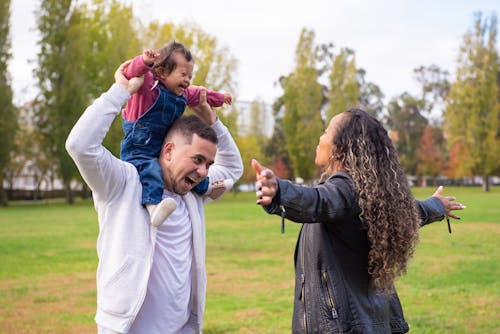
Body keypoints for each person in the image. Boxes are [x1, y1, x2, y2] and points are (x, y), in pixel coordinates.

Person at [65, 60, 243, 334]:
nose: (202, 171)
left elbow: (232, 168)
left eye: (208, 164)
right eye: (197, 159)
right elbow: (80, 145)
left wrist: (213, 121)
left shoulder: (193, 196)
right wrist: (121, 90)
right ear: (168, 151)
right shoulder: (123, 181)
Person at [251, 108, 465, 333]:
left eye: (326, 132)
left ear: (340, 149)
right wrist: (438, 205)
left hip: (342, 326)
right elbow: (415, 210)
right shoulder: (376, 195)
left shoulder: (343, 190)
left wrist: (279, 191)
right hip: (374, 323)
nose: (320, 138)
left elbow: (316, 200)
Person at [122, 41, 233, 227]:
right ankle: (153, 207)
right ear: (163, 71)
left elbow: (200, 94)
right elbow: (129, 72)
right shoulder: (148, 84)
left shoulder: (182, 94)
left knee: (190, 170)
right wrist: (144, 61)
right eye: (183, 74)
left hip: (160, 146)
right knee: (151, 172)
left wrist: (220, 98)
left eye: (190, 76)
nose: (188, 80)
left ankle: (208, 189)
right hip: (139, 147)